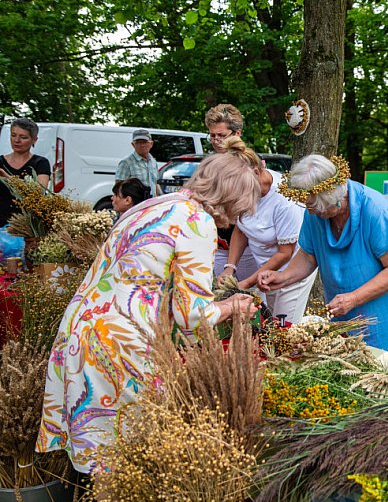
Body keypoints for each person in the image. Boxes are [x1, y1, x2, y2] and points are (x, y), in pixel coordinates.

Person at [37, 151, 260, 476]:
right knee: (125, 465)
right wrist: (232, 306)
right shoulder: (197, 221)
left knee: (105, 462)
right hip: (120, 346)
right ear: (230, 196)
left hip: (82, 331)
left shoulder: (155, 205)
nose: (240, 216)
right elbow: (191, 315)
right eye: (242, 206)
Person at [257, 154, 388, 361]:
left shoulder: (374, 209)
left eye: (314, 206)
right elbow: (309, 256)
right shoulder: (316, 213)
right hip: (345, 314)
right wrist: (283, 277)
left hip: (387, 317)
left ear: (332, 196)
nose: (310, 212)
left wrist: (354, 298)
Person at [217, 137, 316, 323]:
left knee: (283, 324)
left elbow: (285, 253)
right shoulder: (247, 188)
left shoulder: (284, 200)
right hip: (265, 269)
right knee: (270, 321)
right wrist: (230, 268)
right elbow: (241, 228)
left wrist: (247, 282)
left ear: (255, 172)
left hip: (292, 269)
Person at [203, 103, 257, 280]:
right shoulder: (211, 163)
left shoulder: (249, 163)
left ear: (237, 134)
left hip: (248, 246)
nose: (217, 140)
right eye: (212, 136)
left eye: (222, 135)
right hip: (219, 243)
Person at [0, 118, 51, 226]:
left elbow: (39, 192)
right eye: (13, 135)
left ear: (34, 140)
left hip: (27, 227)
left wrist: (8, 178)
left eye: (23, 137)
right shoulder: (1, 162)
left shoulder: (40, 163)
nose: (16, 140)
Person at [115, 129, 160, 197]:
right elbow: (118, 187)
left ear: (151, 144)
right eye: (138, 142)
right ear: (133, 145)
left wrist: (158, 197)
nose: (141, 145)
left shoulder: (153, 162)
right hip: (135, 204)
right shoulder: (126, 162)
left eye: (144, 142)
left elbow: (155, 183)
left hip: (150, 203)